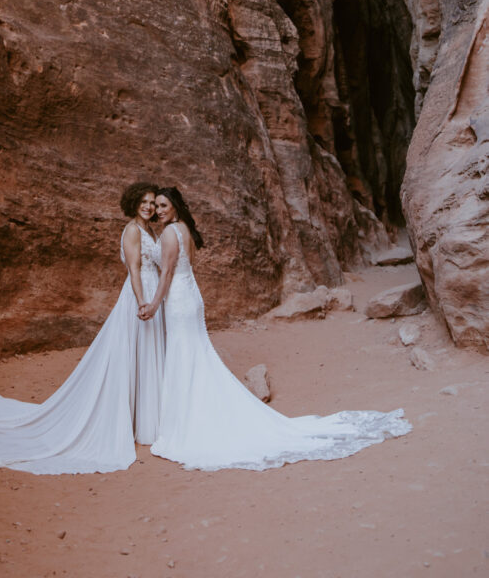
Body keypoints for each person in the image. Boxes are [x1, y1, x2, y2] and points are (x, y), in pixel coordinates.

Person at [139, 187, 411, 471]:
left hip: (178, 301)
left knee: (185, 357)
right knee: (195, 356)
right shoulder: (183, 229)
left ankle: (188, 422)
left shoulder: (170, 233)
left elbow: (168, 273)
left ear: (174, 207)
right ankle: (196, 413)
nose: (158, 210)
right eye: (156, 206)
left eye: (163, 205)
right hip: (189, 296)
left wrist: (154, 304)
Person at [0, 182, 165, 474]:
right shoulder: (132, 230)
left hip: (153, 297)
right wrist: (142, 302)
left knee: (146, 357)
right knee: (130, 357)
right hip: (138, 299)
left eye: (152, 202)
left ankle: (143, 422)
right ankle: (120, 421)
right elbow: (134, 269)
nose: (149, 206)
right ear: (134, 203)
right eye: (144, 201)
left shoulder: (151, 231)